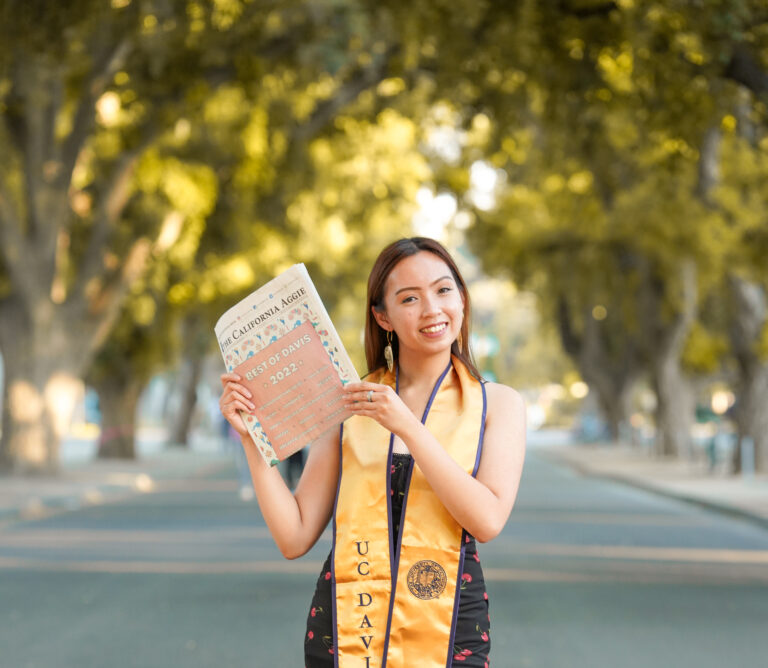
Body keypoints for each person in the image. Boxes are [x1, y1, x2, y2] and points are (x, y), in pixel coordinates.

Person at [219, 237, 526, 667]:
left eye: (443, 290)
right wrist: (252, 438)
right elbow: (294, 536)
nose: (432, 310)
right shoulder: (349, 405)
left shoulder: (499, 404)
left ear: (462, 298)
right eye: (409, 299)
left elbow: (488, 519)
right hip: (346, 624)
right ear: (383, 316)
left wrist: (406, 426)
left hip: (451, 625)